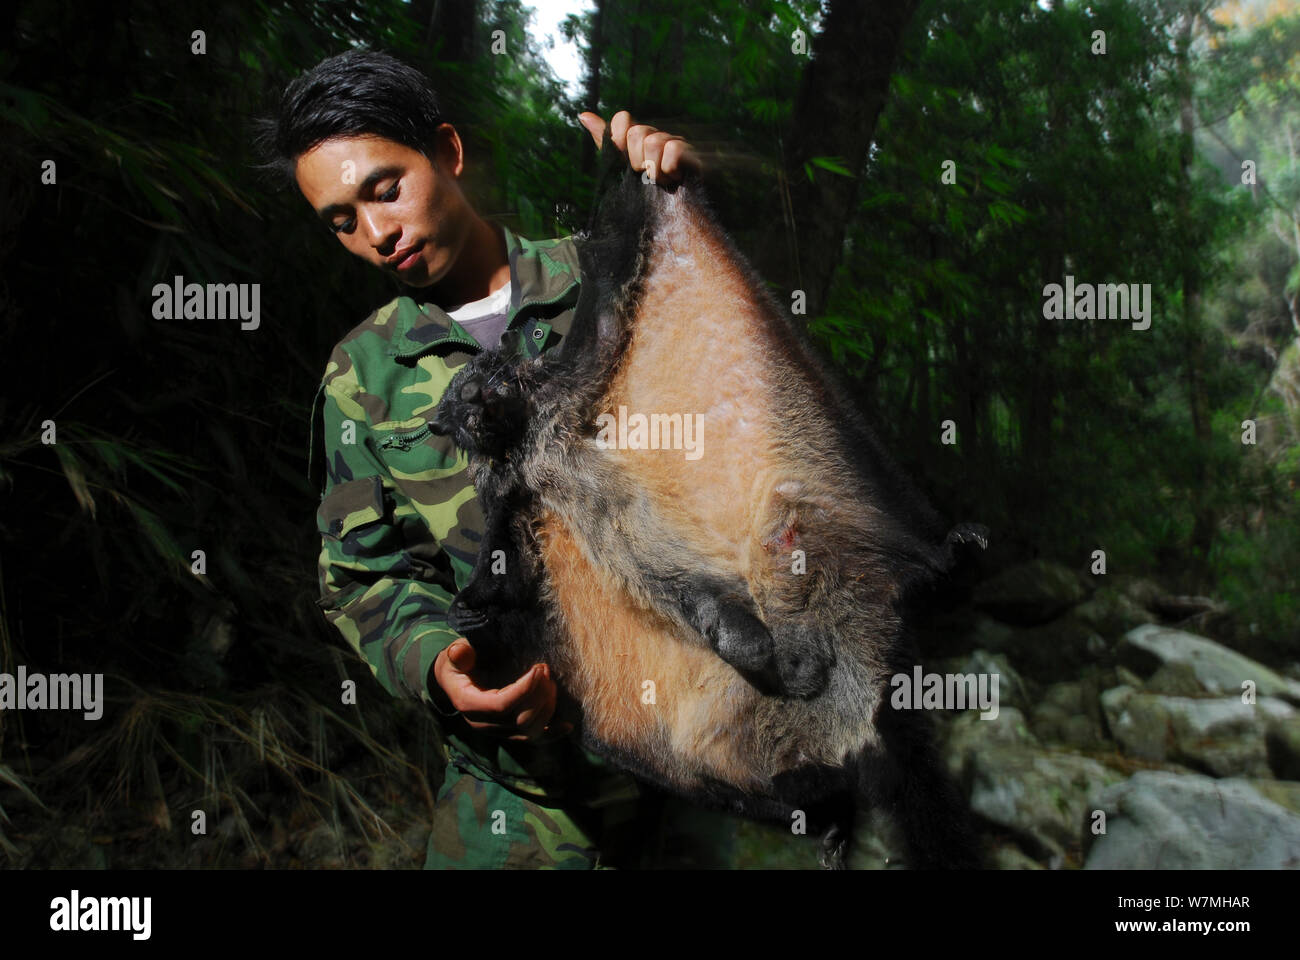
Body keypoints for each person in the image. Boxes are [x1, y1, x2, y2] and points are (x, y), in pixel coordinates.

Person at [263, 47, 731, 868]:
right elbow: (364, 575)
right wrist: (441, 665)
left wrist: (694, 210)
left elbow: (744, 411)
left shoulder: (611, 278)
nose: (378, 233)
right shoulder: (361, 378)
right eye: (341, 220)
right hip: (516, 800)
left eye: (386, 188)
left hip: (682, 771)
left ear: (447, 151)